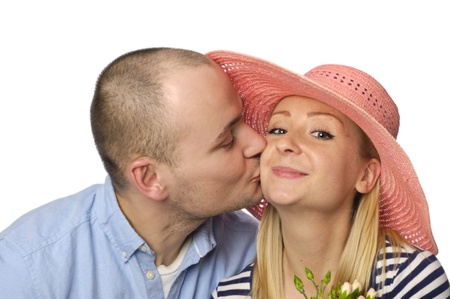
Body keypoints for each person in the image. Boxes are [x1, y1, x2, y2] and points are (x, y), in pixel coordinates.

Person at [0, 47, 267, 299]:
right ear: (150, 179)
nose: (259, 142)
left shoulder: (258, 250)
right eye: (227, 140)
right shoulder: (27, 269)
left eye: (243, 119)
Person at [207, 50, 450, 298]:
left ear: (366, 175)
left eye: (321, 134)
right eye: (278, 129)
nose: (285, 143)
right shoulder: (229, 293)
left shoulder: (409, 279)